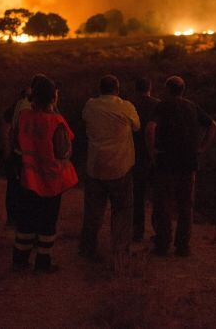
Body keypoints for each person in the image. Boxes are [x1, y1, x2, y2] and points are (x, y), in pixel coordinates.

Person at [146, 76, 216, 257]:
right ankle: (183, 246)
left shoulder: (163, 105)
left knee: (163, 205)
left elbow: (150, 128)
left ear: (167, 89)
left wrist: (152, 150)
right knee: (186, 206)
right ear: (183, 89)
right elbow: (213, 125)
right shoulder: (192, 106)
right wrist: (202, 148)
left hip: (166, 163)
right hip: (189, 163)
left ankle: (163, 244)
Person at [12, 76, 78, 273]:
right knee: (47, 222)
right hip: (50, 179)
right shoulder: (56, 121)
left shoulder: (24, 117)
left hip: (28, 177)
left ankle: (20, 260)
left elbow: (16, 142)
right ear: (53, 97)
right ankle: (43, 262)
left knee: (26, 220)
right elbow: (63, 150)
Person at [79, 75, 140, 260]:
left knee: (93, 212)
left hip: (95, 166)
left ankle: (87, 249)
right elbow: (137, 126)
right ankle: (120, 251)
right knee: (122, 210)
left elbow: (84, 120)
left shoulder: (90, 106)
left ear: (100, 88)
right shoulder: (126, 107)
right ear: (117, 89)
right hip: (120, 166)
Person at [129, 77, 160, 242]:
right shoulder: (158, 105)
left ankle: (137, 231)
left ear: (136, 89)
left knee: (138, 196)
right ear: (150, 88)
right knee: (158, 196)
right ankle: (159, 231)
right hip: (154, 156)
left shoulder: (128, 106)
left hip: (135, 156)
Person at [1, 87, 31, 228]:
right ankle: (13, 219)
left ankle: (18, 218)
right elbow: (5, 132)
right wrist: (8, 154)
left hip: (21, 154)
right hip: (17, 154)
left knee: (18, 187)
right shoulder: (13, 112)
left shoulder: (18, 111)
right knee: (14, 186)